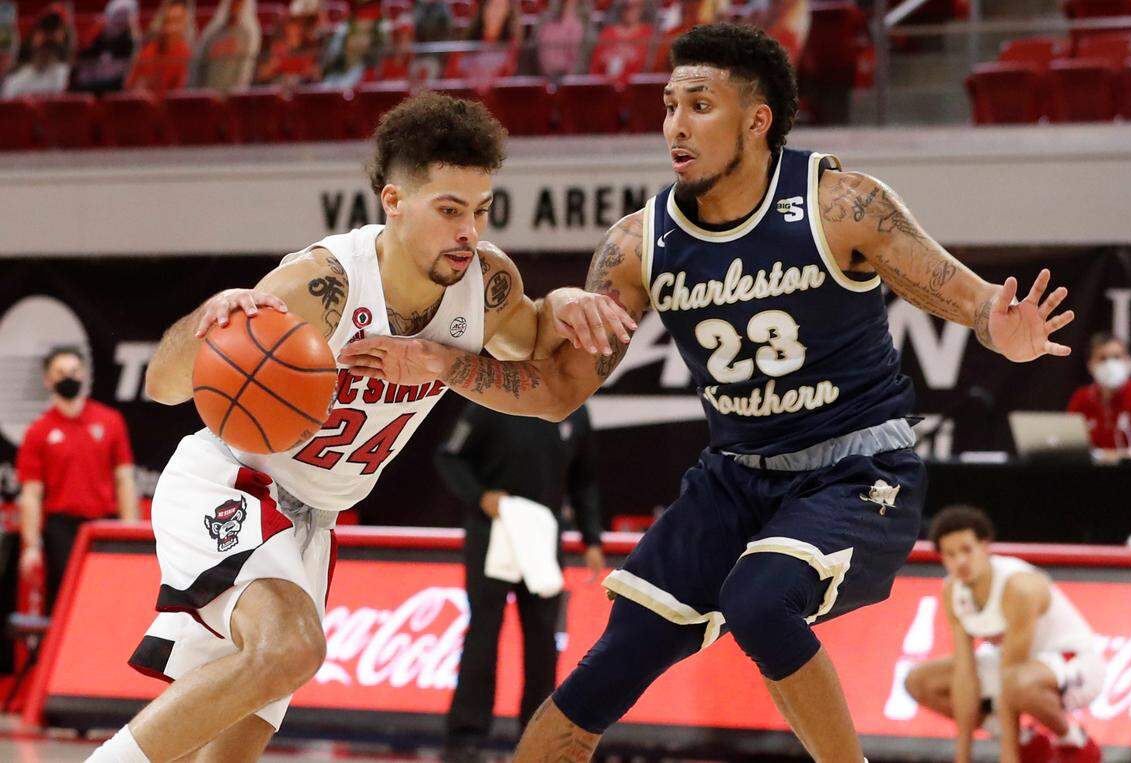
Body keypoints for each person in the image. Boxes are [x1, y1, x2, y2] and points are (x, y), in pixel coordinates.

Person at [340, 23, 1075, 762]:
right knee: (600, 674)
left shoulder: (839, 204)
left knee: (759, 599)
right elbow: (557, 390)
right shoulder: (639, 244)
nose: (675, 126)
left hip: (857, 472)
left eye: (699, 104)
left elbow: (967, 296)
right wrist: (440, 363)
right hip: (734, 478)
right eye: (668, 105)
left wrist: (996, 324)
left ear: (757, 121)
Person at [85, 92, 628, 763]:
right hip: (233, 482)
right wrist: (214, 318)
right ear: (394, 201)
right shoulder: (322, 284)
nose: (469, 230)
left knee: (231, 749)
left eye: (481, 210)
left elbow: (540, 346)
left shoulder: (485, 285)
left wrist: (563, 302)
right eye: (449, 210)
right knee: (291, 646)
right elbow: (162, 384)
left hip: (314, 519)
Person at [436, 403, 605, 760]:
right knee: (484, 632)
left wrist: (591, 539)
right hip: (492, 531)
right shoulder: (491, 400)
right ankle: (466, 735)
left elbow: (584, 478)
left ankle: (538, 732)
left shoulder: (573, 410)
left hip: (544, 535)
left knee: (544, 639)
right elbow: (449, 456)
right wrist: (480, 496)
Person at [905, 506, 1104, 763]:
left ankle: (1074, 741)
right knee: (919, 681)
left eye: (967, 550)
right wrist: (962, 757)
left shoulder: (1018, 587)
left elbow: (1009, 679)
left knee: (1016, 683)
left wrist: (1008, 758)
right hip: (1015, 668)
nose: (961, 561)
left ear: (985, 546)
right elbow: (965, 676)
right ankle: (1027, 742)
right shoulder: (952, 589)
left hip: (1076, 664)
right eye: (951, 554)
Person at [16, 348, 138, 615]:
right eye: (60, 373)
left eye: (73, 371)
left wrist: (130, 530)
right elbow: (31, 494)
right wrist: (31, 546)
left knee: (107, 596)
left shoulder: (109, 420)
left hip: (105, 522)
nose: (68, 377)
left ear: (83, 374)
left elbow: (124, 479)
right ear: (48, 380)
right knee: (65, 599)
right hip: (61, 528)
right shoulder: (39, 431)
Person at [1066, 331, 1131, 455]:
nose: (1110, 364)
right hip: (1092, 472)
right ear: (1090, 365)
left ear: (1127, 361)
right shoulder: (1081, 398)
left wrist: (1108, 456)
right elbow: (1069, 444)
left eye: (1117, 357)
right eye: (1102, 358)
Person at [1, 5, 71, 99]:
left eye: (53, 29)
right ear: (33, 36)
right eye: (45, 29)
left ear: (65, 36)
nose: (48, 36)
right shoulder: (15, 80)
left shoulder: (72, 78)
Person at [69, 0, 138, 95]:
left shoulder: (131, 43)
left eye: (125, 15)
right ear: (109, 17)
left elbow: (125, 74)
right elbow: (79, 66)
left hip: (114, 91)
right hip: (88, 87)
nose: (121, 19)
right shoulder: (96, 40)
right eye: (118, 15)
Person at [126, 0, 193, 96]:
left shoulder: (187, 53)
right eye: (168, 21)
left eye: (177, 21)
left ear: (186, 23)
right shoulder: (148, 50)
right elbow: (131, 86)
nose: (171, 28)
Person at [191, 0, 261, 92]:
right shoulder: (212, 35)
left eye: (239, 4)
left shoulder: (249, 36)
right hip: (207, 93)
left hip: (233, 97)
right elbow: (198, 65)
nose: (235, 8)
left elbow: (247, 70)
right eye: (233, 4)